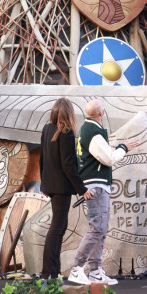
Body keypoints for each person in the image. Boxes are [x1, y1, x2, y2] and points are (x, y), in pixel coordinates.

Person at [68, 99, 139, 285]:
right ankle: (77, 268)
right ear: (100, 113)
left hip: (97, 184)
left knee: (100, 228)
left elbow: (103, 155)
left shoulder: (89, 130)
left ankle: (95, 271)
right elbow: (108, 158)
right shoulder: (92, 131)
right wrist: (124, 148)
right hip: (96, 185)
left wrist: (118, 148)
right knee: (97, 227)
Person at [39, 98, 93, 279]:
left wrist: (44, 184)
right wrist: (82, 189)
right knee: (57, 227)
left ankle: (52, 270)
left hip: (52, 186)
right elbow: (68, 165)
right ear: (69, 113)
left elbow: (42, 159)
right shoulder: (67, 132)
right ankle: (50, 272)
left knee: (58, 227)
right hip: (61, 187)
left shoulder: (47, 129)